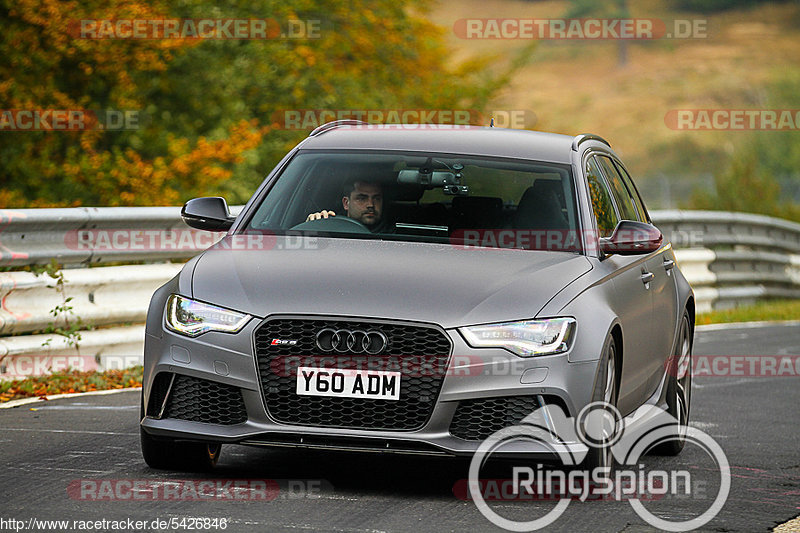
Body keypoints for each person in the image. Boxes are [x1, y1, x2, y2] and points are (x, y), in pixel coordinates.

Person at [306, 180, 389, 232]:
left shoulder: (396, 235)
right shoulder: (331, 227)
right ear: (346, 203)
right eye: (362, 199)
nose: (371, 205)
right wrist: (313, 225)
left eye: (376, 199)